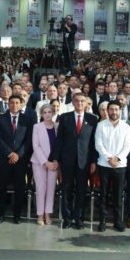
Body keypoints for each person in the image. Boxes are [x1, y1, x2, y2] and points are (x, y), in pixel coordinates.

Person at [56, 93, 98, 229]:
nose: (80, 103)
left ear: (86, 103)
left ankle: (79, 218)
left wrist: (93, 161)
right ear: (73, 103)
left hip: (84, 161)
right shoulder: (64, 117)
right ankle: (67, 219)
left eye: (82, 101)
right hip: (67, 160)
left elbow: (94, 142)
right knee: (66, 189)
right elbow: (59, 140)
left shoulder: (93, 119)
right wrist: (57, 159)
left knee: (81, 190)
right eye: (77, 101)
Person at [0, 95, 34, 224]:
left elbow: (29, 140)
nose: (14, 105)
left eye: (17, 103)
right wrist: (9, 153)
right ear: (8, 104)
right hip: (3, 159)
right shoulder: (0, 119)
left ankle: (17, 215)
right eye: (12, 102)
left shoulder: (27, 120)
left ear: (21, 104)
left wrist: (18, 154)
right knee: (1, 187)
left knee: (19, 188)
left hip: (20, 160)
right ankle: (0, 214)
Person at [94, 100, 130, 232]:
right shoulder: (100, 125)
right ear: (108, 111)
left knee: (118, 195)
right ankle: (102, 221)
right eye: (111, 109)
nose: (114, 112)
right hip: (104, 164)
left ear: (120, 111)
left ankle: (117, 221)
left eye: (116, 109)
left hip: (120, 166)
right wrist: (109, 158)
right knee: (103, 194)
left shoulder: (126, 127)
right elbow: (98, 145)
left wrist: (117, 158)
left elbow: (127, 146)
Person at [30, 104, 58, 226]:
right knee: (41, 189)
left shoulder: (58, 126)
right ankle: (40, 214)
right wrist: (46, 162)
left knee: (51, 189)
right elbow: (35, 146)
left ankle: (48, 213)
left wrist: (56, 161)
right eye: (45, 112)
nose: (47, 114)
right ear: (41, 114)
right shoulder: (37, 127)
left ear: (53, 113)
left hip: (54, 163)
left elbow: (60, 145)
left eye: (49, 112)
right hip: (39, 162)